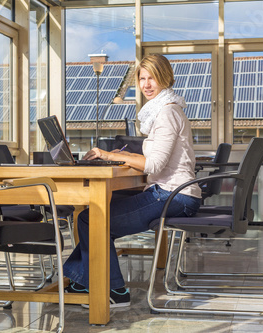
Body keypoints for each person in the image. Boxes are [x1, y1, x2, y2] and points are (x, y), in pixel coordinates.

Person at [63, 53, 202, 308]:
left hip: (173, 195)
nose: (147, 84)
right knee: (95, 217)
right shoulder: (165, 110)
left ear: (165, 79)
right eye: (142, 78)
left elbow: (153, 165)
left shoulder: (168, 113)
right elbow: (156, 157)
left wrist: (107, 154)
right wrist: (124, 156)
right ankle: (82, 282)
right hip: (173, 193)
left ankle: (113, 292)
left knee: (91, 219)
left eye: (153, 78)